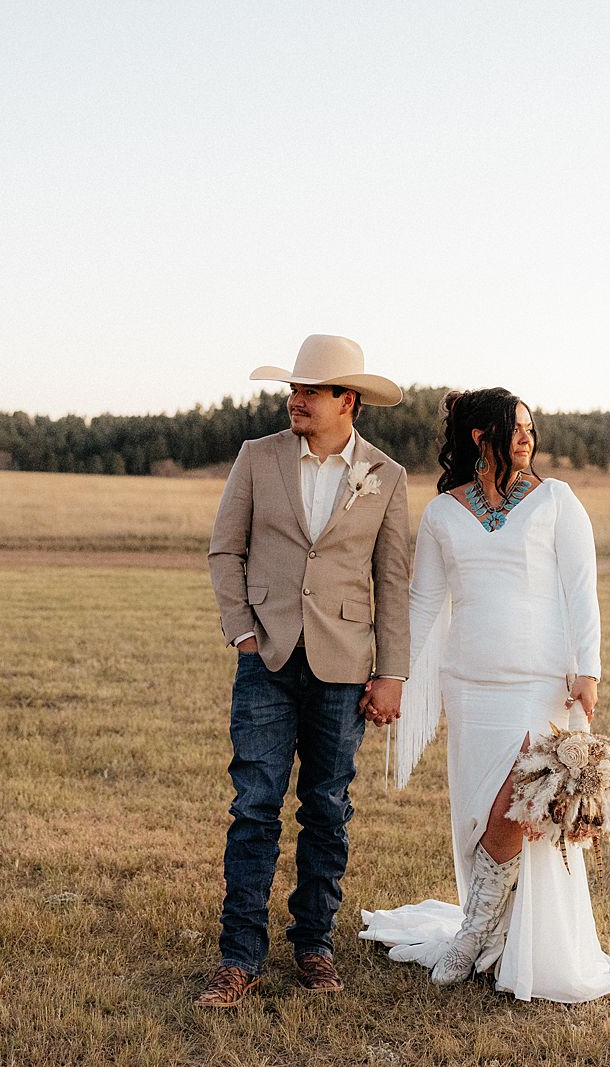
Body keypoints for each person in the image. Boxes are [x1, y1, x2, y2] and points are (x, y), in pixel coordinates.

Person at [357, 387, 610, 1003]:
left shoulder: (557, 501)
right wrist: (391, 672)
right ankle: (491, 930)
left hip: (541, 686)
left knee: (520, 806)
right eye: (516, 427)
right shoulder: (444, 513)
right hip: (471, 686)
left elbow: (582, 588)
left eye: (531, 427)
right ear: (482, 437)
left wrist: (590, 668)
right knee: (480, 814)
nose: (528, 437)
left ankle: (473, 935)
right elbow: (424, 602)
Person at [198, 335, 412, 1008]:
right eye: (292, 390)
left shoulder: (387, 476)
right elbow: (223, 549)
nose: (295, 401)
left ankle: (314, 946)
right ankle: (239, 956)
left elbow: (394, 583)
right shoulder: (256, 458)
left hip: (345, 667)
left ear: (346, 400)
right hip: (265, 660)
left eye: (308, 392)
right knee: (253, 806)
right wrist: (241, 630)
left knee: (327, 809)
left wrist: (393, 673)